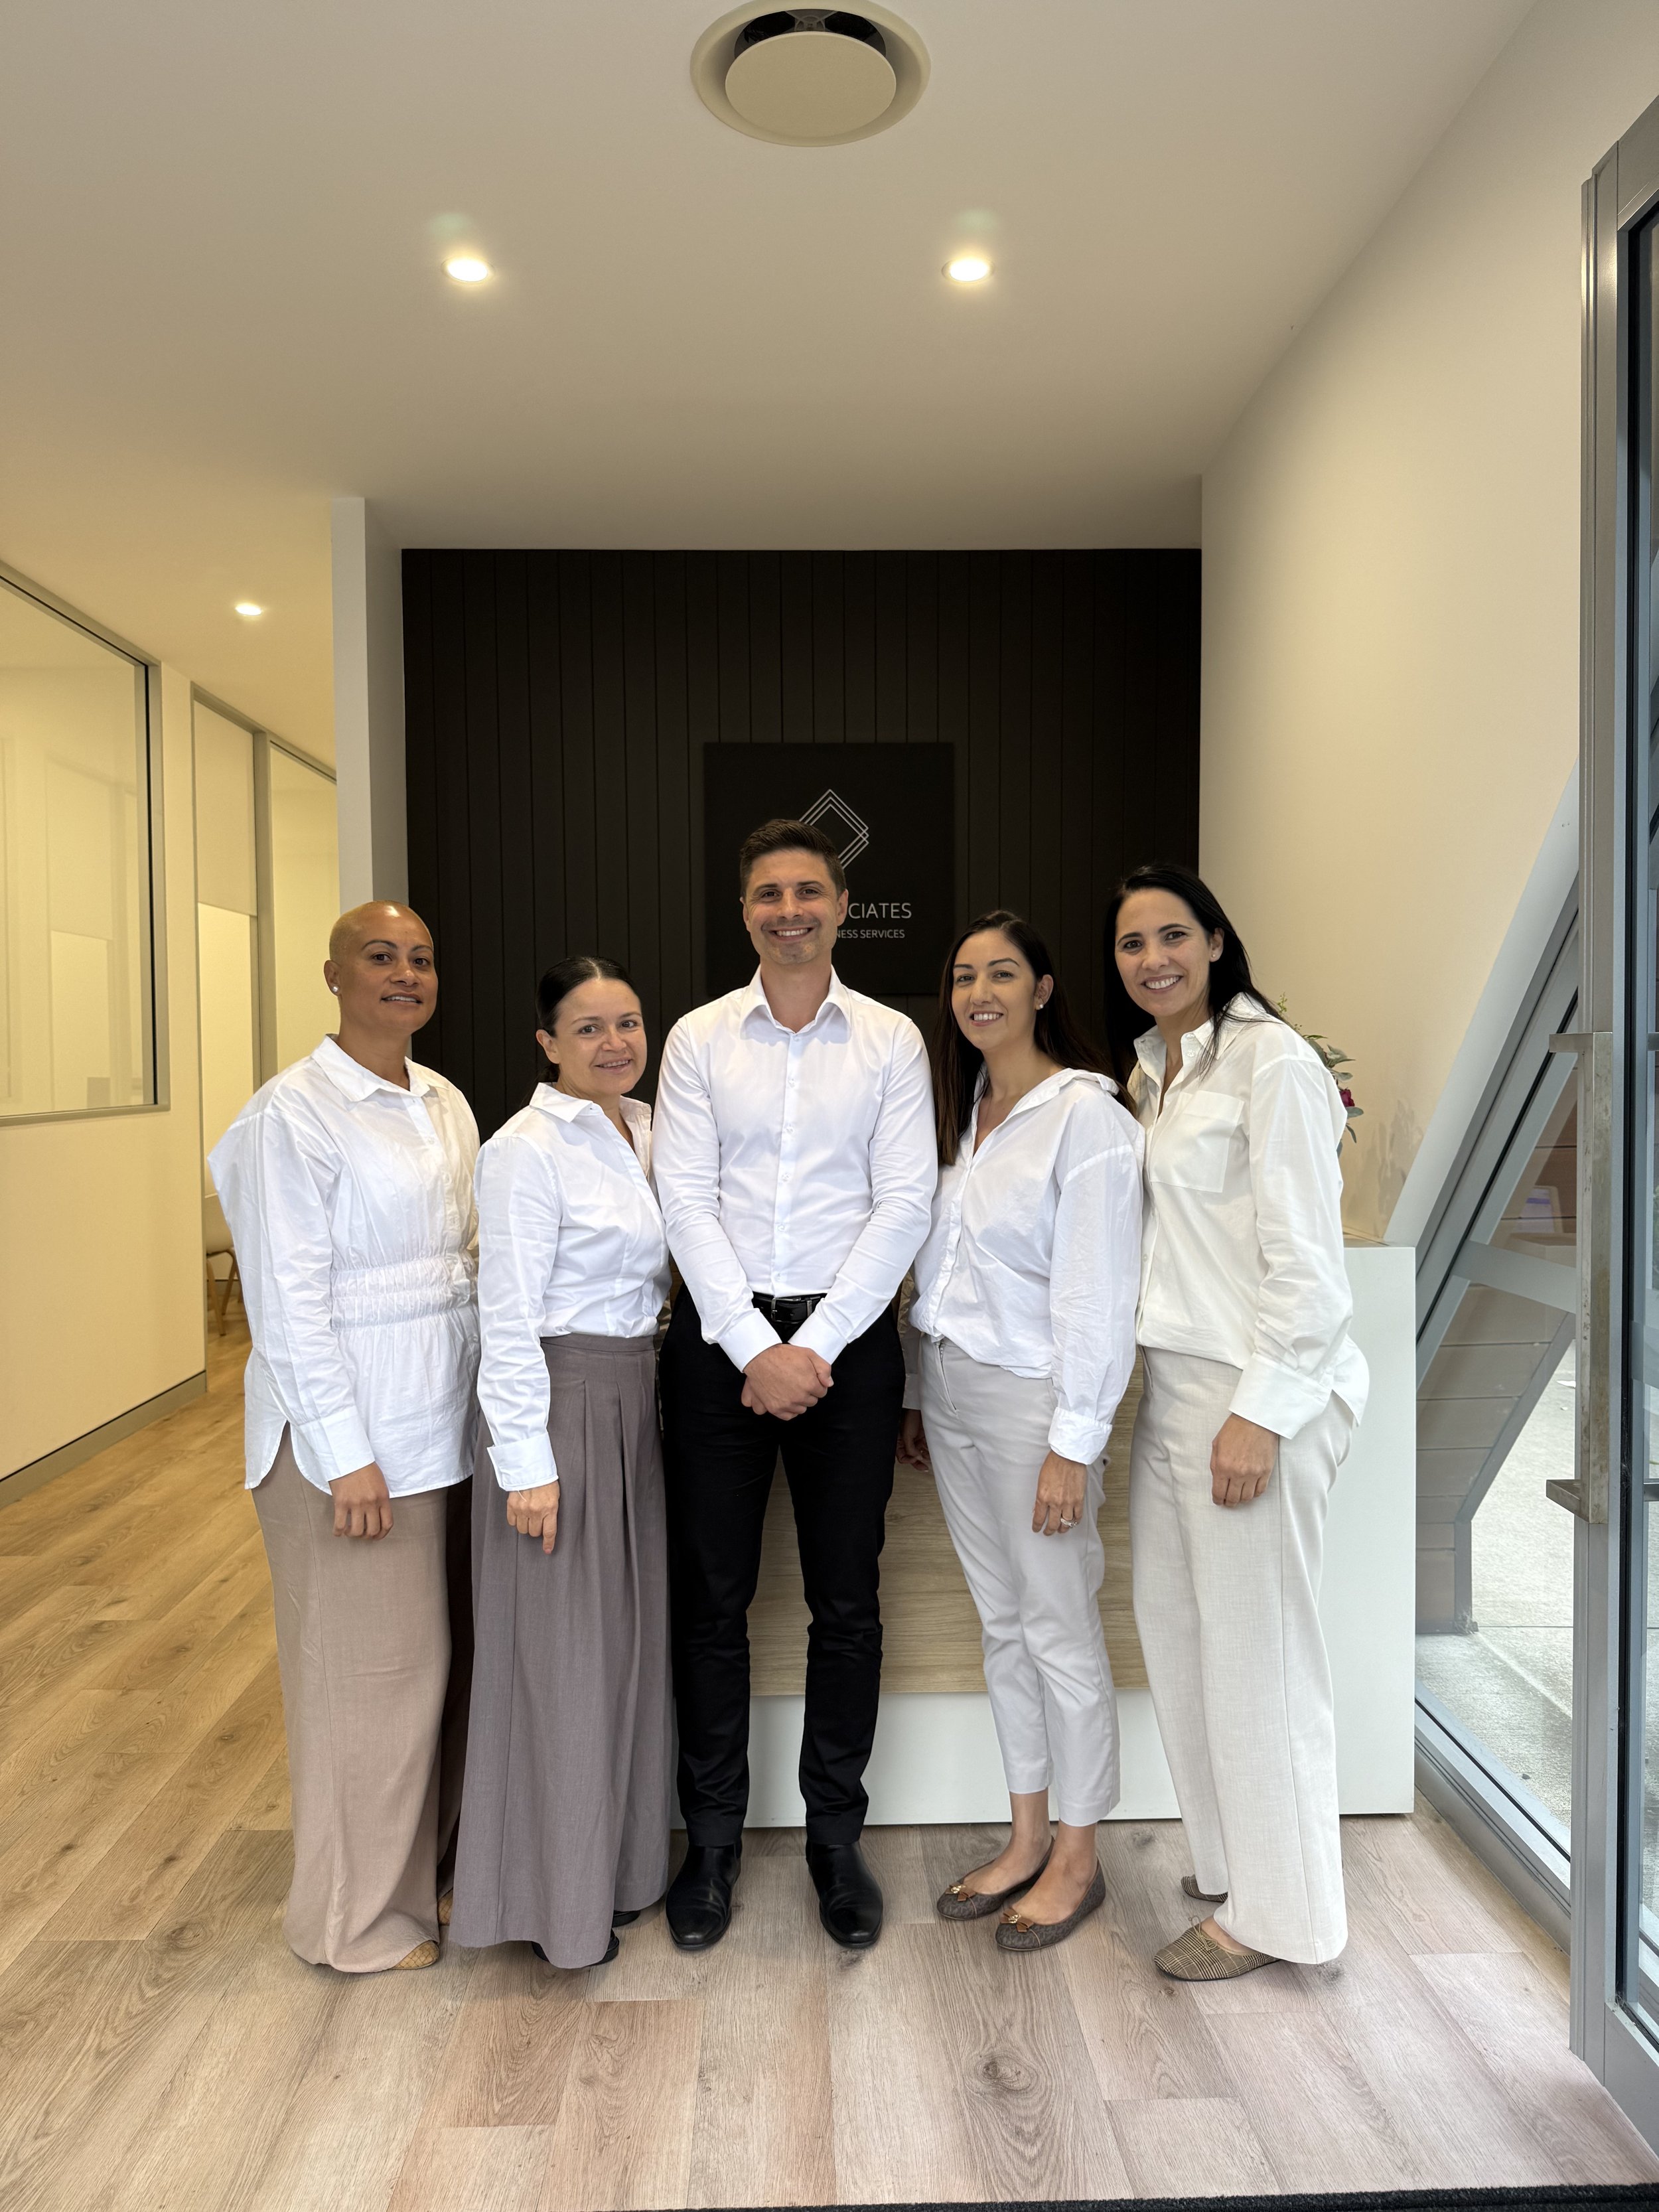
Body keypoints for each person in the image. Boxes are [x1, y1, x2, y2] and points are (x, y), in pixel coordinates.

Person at [652, 818, 935, 1952]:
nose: (789, 910)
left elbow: (904, 1203)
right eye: (768, 892)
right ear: (745, 910)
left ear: (841, 904)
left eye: (808, 890)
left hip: (846, 1346)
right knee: (711, 1605)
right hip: (720, 1344)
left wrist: (812, 1345)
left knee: (847, 1603)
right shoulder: (696, 1037)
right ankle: (712, 1840)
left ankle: (834, 1838)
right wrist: (748, 1343)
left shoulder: (891, 1041)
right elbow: (684, 1199)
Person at [1106, 861, 1368, 1981]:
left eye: (1173, 934)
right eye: (1132, 943)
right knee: (1182, 1640)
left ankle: (1287, 1919)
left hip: (1254, 1390)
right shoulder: (1151, 1071)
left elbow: (1309, 1266)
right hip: (1172, 1390)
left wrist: (1259, 1414)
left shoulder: (1275, 1062)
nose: (1153, 958)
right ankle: (1232, 1868)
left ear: (1216, 940)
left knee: (1262, 1658)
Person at [209, 902, 478, 1974]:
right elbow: (286, 1305)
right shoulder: (292, 1114)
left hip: (442, 1425)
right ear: (333, 976)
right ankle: (351, 1922)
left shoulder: (443, 1101)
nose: (405, 973)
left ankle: (424, 1877)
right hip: (350, 1445)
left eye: (421, 957)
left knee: (435, 1675)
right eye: (380, 957)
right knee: (365, 1688)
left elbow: (465, 1260)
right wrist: (342, 1452)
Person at [897, 911, 1141, 1951]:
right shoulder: (964, 1114)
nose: (980, 992)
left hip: (1036, 1402)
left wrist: (1073, 1443)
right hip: (954, 1394)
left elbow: (1097, 1294)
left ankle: (1080, 1855)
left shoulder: (1087, 1115)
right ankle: (1028, 1833)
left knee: (1058, 1626)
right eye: (964, 977)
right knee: (1004, 1624)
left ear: (1044, 989)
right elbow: (939, 1277)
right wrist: (919, 1392)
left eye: (1003, 973)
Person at [451, 957, 672, 1972]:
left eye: (627, 1022)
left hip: (635, 1398)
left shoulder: (650, 1129)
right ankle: (552, 1905)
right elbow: (505, 1315)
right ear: (547, 1043)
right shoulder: (525, 1148)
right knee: (561, 1657)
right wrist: (526, 1463)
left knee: (621, 1647)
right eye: (588, 1028)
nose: (614, 1043)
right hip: (559, 1402)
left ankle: (617, 1874)